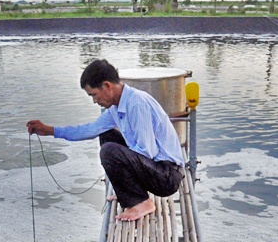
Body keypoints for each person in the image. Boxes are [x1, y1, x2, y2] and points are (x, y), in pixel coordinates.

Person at [26, 59, 185, 221]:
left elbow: (147, 151)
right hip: (155, 169)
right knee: (107, 135)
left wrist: (122, 165)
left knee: (109, 150)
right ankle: (130, 193)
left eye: (94, 95)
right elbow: (89, 129)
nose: (95, 101)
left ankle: (142, 202)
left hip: (167, 177)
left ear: (107, 86)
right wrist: (49, 130)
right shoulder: (115, 108)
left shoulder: (136, 104)